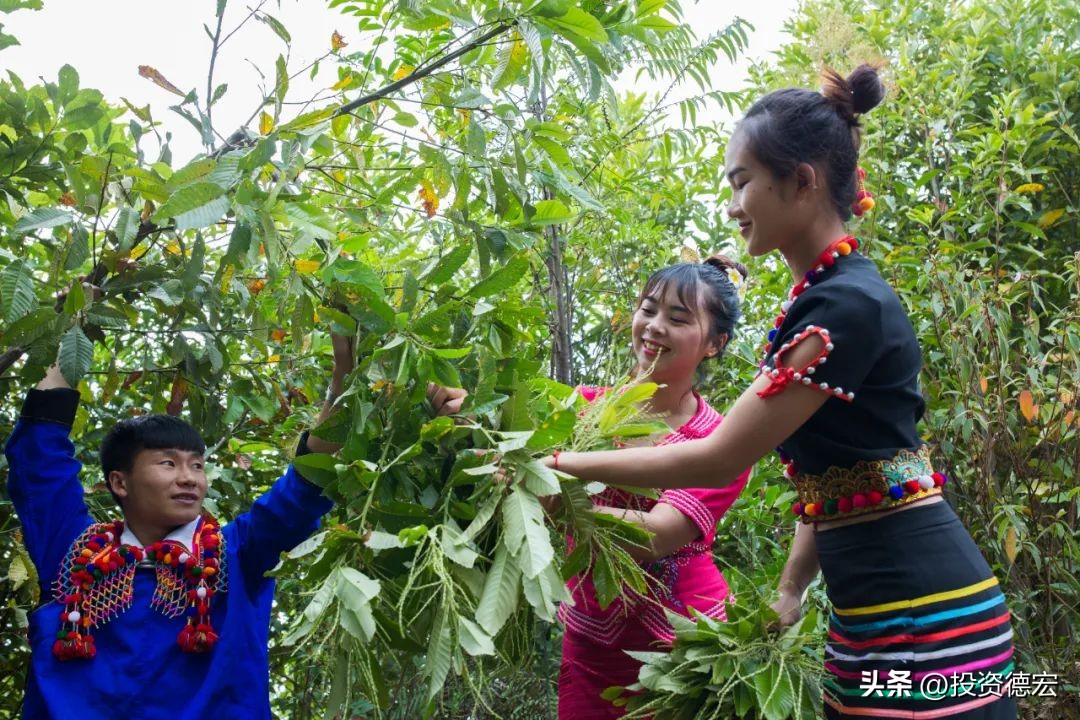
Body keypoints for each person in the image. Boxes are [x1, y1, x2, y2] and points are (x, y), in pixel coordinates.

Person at [541, 66, 1017, 719]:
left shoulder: (844, 306)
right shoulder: (824, 300)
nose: (732, 206)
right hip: (873, 601)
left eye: (742, 182)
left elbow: (718, 458)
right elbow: (842, 473)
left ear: (802, 181)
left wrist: (561, 466)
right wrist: (792, 587)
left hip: (919, 610)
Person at [4, 332, 460, 719]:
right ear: (119, 482)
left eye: (197, 465)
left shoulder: (235, 555)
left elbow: (306, 483)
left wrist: (346, 372)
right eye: (168, 463)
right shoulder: (75, 553)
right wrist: (75, 334)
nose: (189, 478)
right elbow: (39, 463)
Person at [550, 256, 752, 718]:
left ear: (715, 344)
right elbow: (511, 439)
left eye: (678, 318)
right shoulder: (581, 409)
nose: (655, 326)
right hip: (589, 639)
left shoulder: (719, 443)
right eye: (648, 309)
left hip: (681, 650)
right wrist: (463, 413)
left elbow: (656, 535)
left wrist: (558, 502)